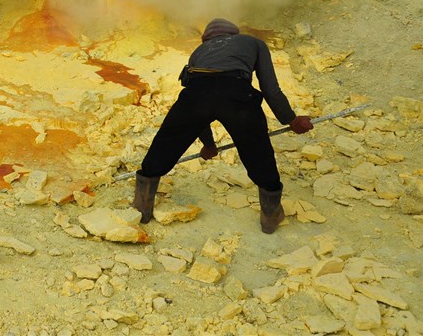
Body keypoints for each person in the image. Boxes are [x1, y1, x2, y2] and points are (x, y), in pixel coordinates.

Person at [133, 18, 313, 233]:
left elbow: (199, 109)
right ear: (233, 33)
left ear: (206, 38)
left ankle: (142, 207)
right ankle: (270, 217)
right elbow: (270, 88)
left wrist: (209, 145)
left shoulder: (198, 52)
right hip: (236, 93)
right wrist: (292, 120)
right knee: (258, 152)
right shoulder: (253, 43)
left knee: (165, 145)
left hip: (196, 94)